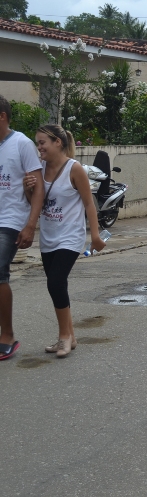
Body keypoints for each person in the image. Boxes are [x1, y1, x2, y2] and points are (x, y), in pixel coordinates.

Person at [24, 124, 105, 358]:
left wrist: (95, 236)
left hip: (70, 236)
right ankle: (71, 336)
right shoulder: (39, 169)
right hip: (48, 236)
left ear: (57, 142)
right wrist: (27, 189)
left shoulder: (74, 169)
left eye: (42, 143)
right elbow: (35, 203)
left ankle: (63, 338)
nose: (39, 147)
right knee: (57, 285)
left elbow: (89, 204)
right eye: (37, 143)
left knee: (56, 282)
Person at [0, 95, 45, 361]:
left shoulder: (21, 144)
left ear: (2, 117)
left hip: (10, 220)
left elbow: (37, 187)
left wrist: (30, 225)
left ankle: (7, 335)